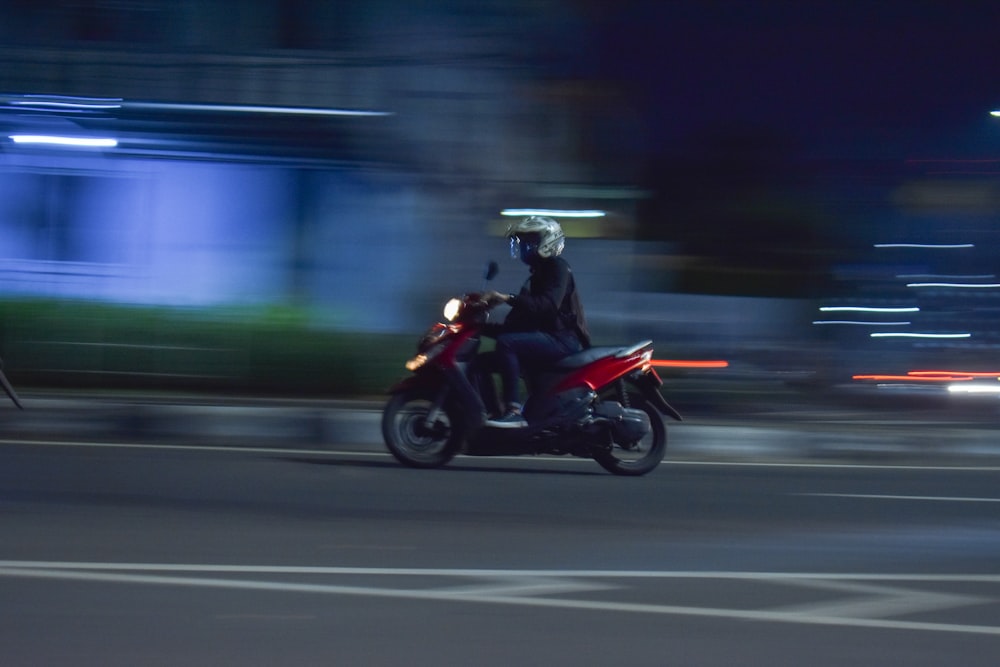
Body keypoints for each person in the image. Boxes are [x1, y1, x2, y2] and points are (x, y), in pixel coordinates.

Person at [481, 216, 591, 428]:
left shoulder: (558, 268)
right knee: (480, 363)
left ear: (547, 241)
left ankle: (513, 411)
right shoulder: (535, 276)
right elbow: (517, 324)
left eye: (529, 241)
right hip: (546, 337)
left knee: (507, 343)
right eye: (522, 242)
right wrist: (478, 326)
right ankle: (493, 414)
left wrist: (507, 298)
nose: (524, 247)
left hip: (562, 340)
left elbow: (547, 305)